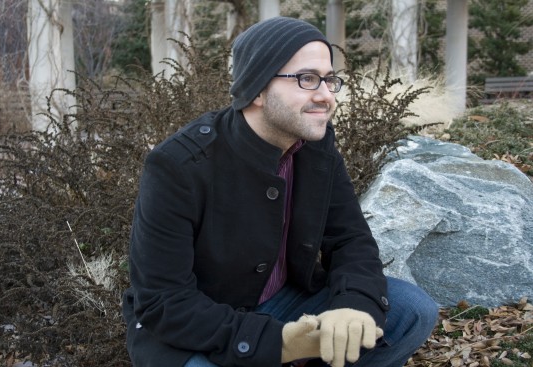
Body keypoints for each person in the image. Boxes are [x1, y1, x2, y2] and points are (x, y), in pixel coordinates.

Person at [122, 16, 439, 367]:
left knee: (412, 311)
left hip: (287, 302)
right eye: (306, 79)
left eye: (330, 80)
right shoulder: (178, 166)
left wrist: (353, 307)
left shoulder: (316, 146)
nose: (326, 96)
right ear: (256, 88)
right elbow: (164, 302)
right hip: (201, 327)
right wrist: (282, 344)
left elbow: (350, 239)